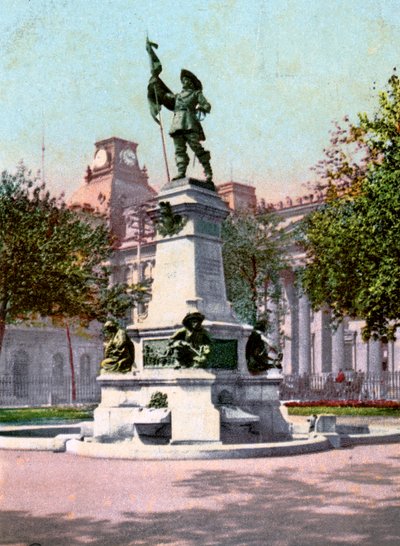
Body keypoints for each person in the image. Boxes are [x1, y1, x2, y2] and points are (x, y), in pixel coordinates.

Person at [146, 39, 213, 184]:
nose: (185, 81)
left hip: (190, 123)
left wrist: (202, 108)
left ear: (192, 83)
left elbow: (207, 105)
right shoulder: (177, 97)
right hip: (177, 124)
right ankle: (181, 171)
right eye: (184, 79)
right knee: (179, 149)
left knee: (196, 147)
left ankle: (208, 172)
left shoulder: (196, 94)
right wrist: (155, 82)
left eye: (188, 80)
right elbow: (165, 97)